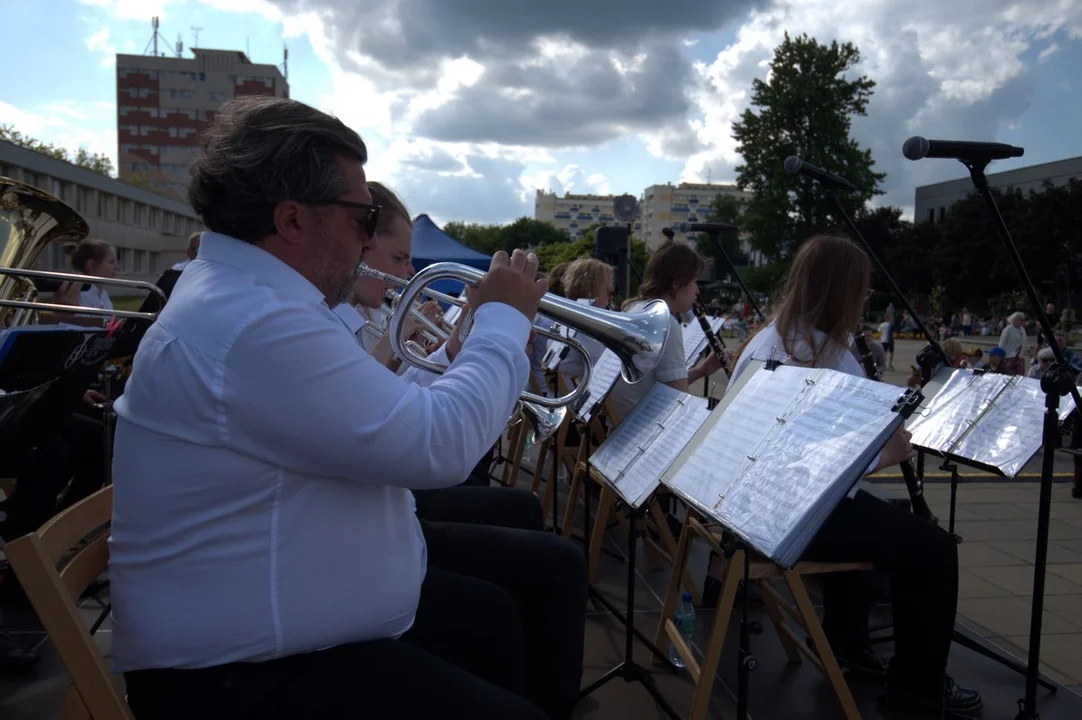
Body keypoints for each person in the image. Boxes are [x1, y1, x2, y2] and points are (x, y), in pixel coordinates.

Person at [109, 96, 585, 720]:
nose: (368, 237)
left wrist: (471, 348)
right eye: (362, 218)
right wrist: (501, 322)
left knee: (496, 617)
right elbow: (437, 446)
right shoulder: (253, 320)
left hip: (276, 627)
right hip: (238, 677)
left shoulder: (254, 298)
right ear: (292, 220)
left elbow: (382, 414)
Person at [728, 235, 981, 719]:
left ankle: (847, 643)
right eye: (861, 290)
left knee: (880, 518)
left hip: (756, 502)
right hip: (789, 514)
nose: (864, 300)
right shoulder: (825, 355)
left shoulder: (772, 339)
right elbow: (826, 465)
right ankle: (918, 687)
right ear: (841, 291)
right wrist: (887, 453)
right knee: (933, 549)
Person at [334, 180, 543, 530]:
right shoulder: (331, 320)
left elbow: (400, 396)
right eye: (399, 258)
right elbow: (432, 434)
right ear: (363, 248)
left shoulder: (360, 314)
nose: (408, 272)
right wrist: (500, 329)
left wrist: (456, 345)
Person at [607, 240, 724, 420]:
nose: (697, 291)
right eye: (693, 282)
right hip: (644, 433)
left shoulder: (635, 310)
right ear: (677, 282)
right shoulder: (665, 323)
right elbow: (678, 400)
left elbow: (663, 385)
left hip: (622, 428)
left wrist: (701, 371)